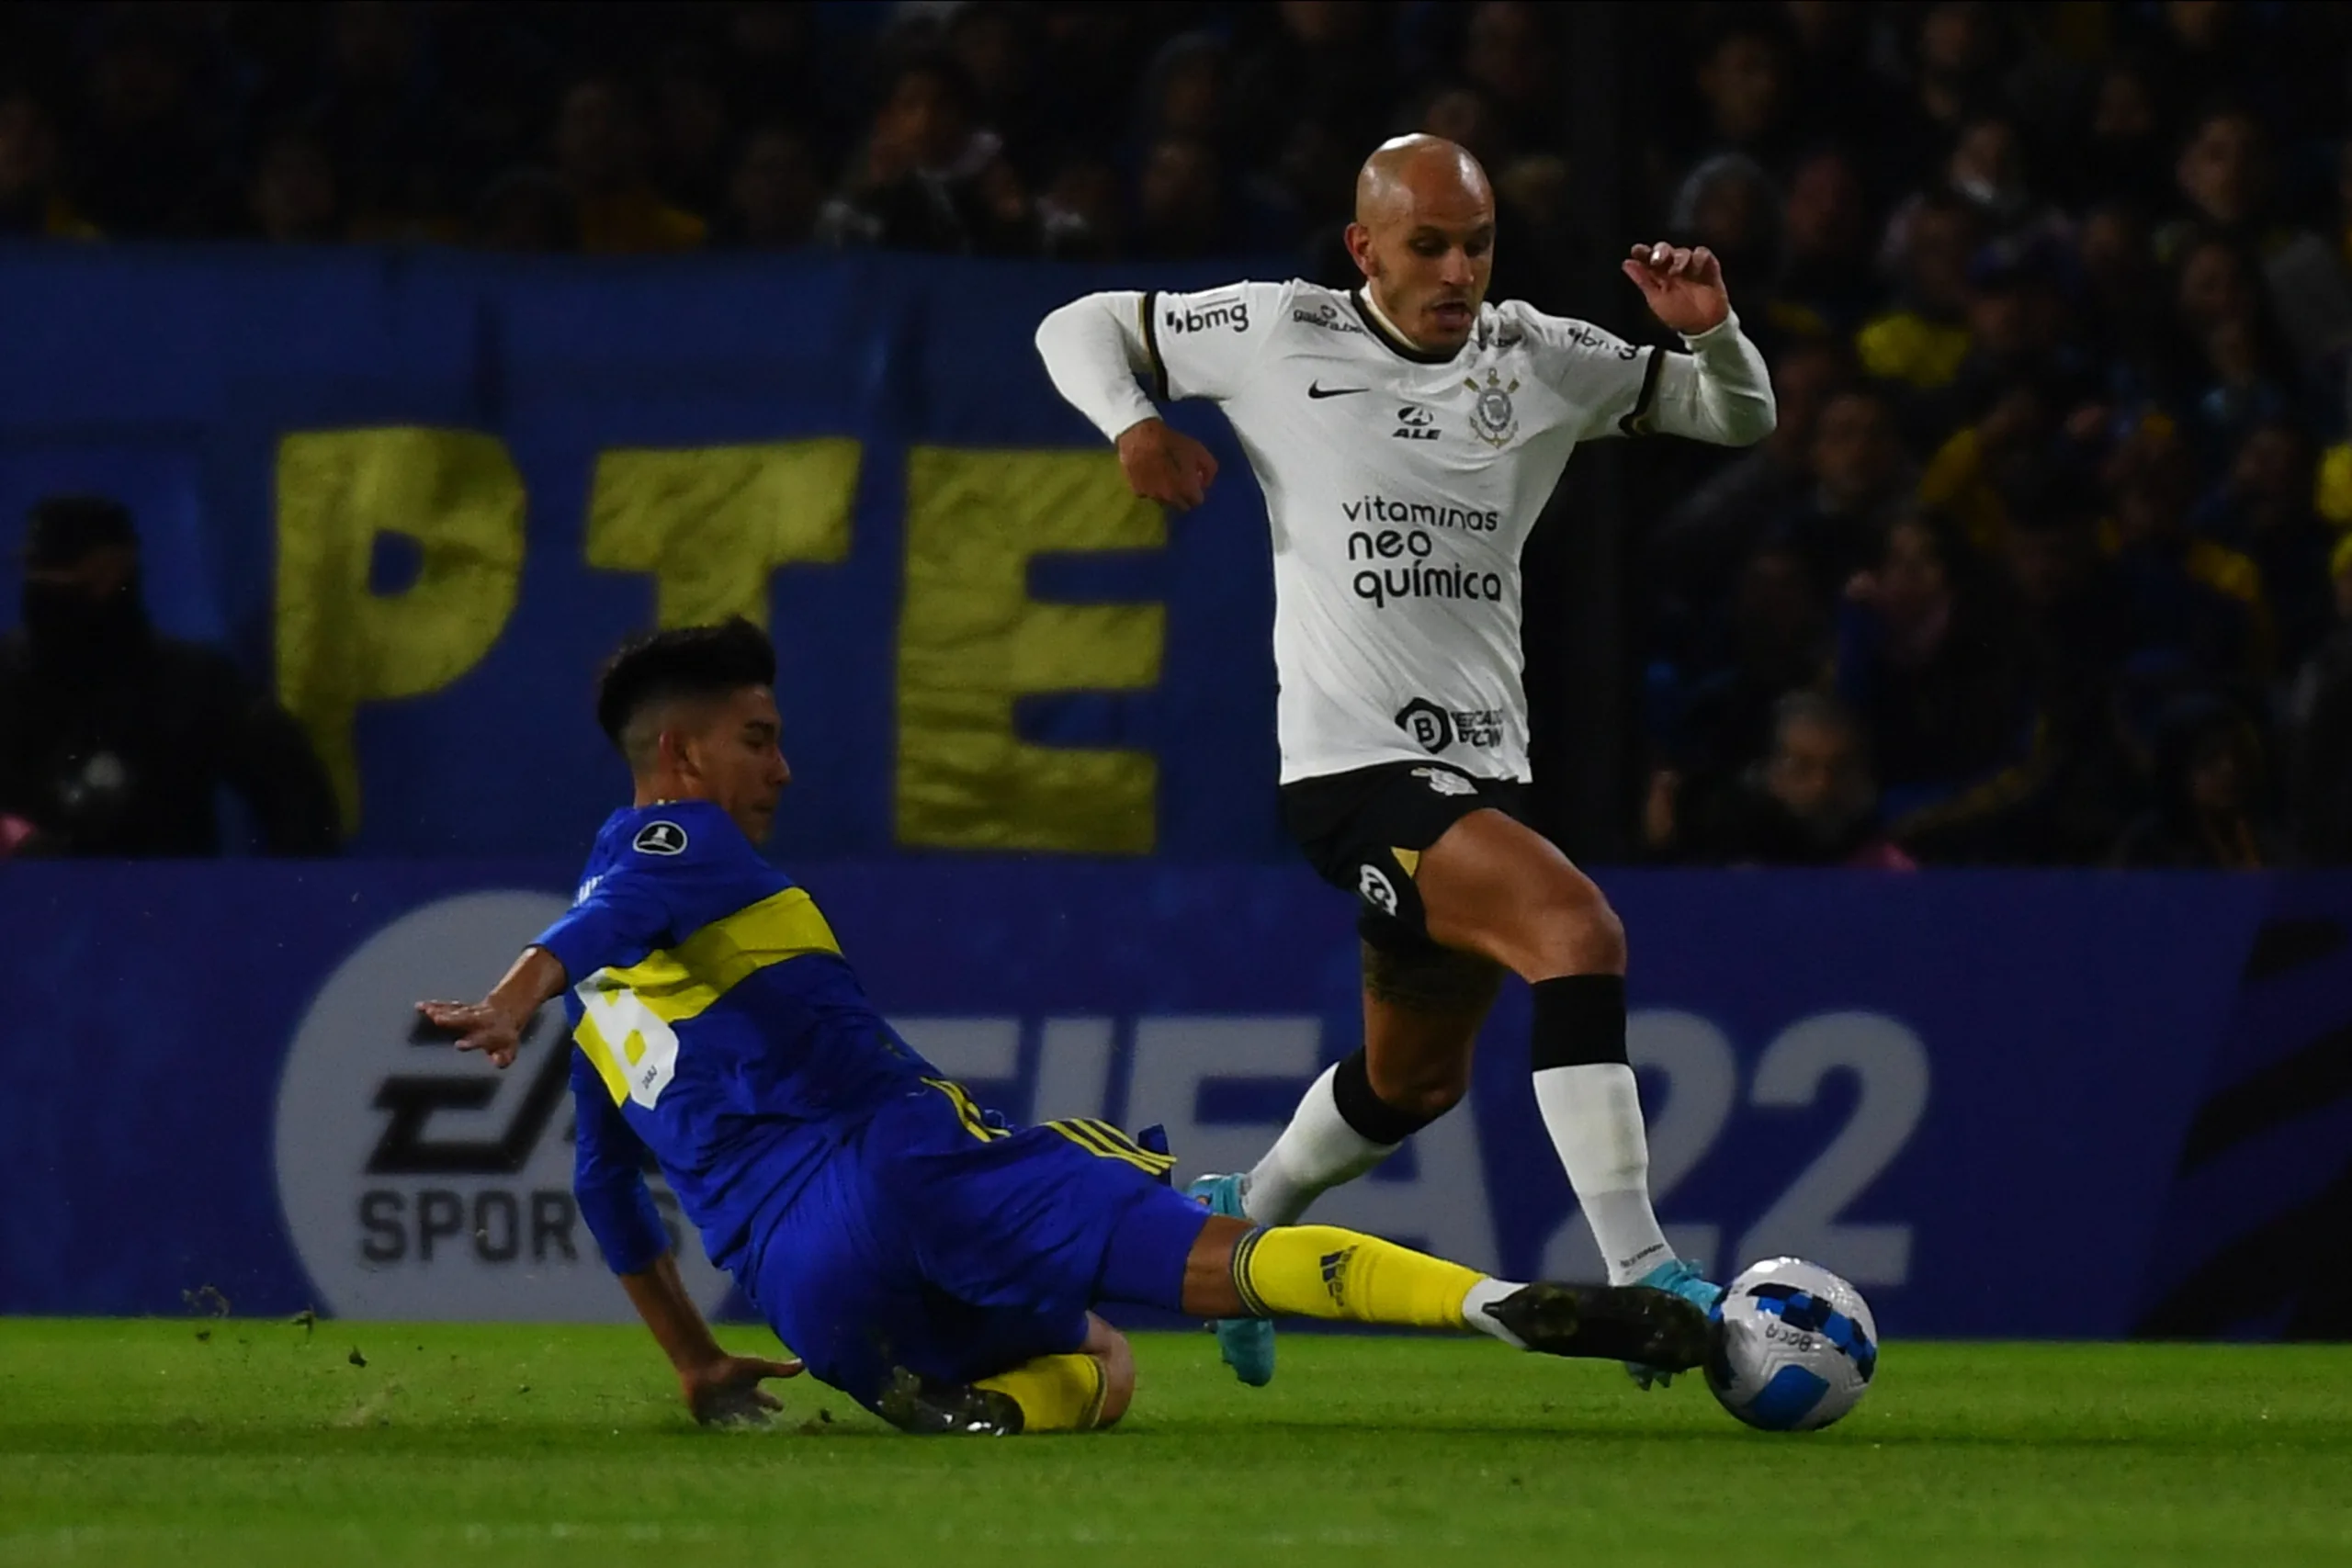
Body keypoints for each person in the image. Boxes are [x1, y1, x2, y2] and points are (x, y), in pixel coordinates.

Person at [414, 620, 1709, 1434]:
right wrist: (514, 994)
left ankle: (976, 1408)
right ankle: (1492, 1302)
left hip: (807, 1296)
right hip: (900, 1163)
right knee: (1219, 1252)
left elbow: (609, 1194)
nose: (784, 769)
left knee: (1100, 1360)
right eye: (761, 740)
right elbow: (619, 898)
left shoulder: (603, 1019)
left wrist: (697, 1360)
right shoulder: (673, 841)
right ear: (682, 754)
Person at [1032, 133, 1774, 1389]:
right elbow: (1080, 322)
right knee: (1578, 933)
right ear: (1362, 245)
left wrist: (1712, 332)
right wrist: (1134, 423)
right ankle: (1647, 1272)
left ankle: (1239, 1213)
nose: (1457, 269)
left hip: (1483, 769)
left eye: (1476, 242)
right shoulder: (1280, 331)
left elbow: (1735, 416)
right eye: (1426, 244)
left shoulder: (1540, 357)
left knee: (1411, 1079)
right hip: (1351, 769)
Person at [0, 495, 341, 856]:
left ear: (117, 570)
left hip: (164, 904)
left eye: (62, 570)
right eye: (37, 571)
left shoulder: (193, 681)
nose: (44, 584)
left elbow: (300, 797)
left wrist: (280, 901)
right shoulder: (6, 673)